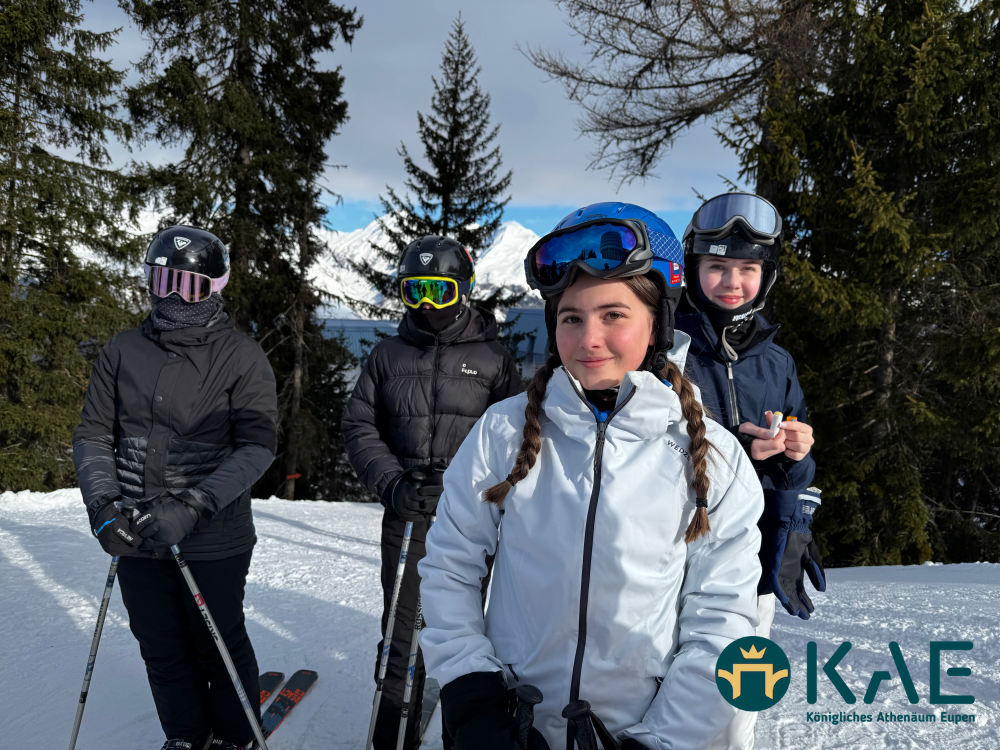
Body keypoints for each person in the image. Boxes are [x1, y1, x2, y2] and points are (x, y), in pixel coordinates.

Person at [417, 203, 766, 750]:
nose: (588, 339)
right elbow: (449, 566)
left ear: (657, 325)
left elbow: (722, 622)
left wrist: (660, 740)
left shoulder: (713, 457)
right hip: (511, 726)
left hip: (639, 731)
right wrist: (474, 694)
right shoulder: (503, 432)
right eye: (571, 318)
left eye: (614, 315)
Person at [73, 226, 277, 750]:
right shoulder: (123, 350)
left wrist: (193, 505)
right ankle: (185, 735)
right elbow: (93, 434)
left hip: (212, 534)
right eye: (161, 281)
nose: (171, 297)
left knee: (217, 643)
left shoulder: (241, 356)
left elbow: (256, 447)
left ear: (214, 287)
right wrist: (103, 506)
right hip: (137, 529)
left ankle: (234, 737)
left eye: (187, 286)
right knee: (160, 645)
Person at [341, 235, 523, 750]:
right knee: (401, 633)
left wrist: (469, 484)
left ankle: (461, 734)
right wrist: (392, 482)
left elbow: (517, 437)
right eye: (414, 290)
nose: (425, 304)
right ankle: (390, 736)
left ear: (463, 291)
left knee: (462, 632)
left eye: (439, 291)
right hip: (406, 513)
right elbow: (359, 425)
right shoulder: (388, 355)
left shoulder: (492, 359)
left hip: (470, 522)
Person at [674, 192, 826, 750]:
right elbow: (642, 448)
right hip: (678, 553)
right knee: (672, 694)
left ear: (768, 276)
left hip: (753, 559)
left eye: (747, 269)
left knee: (738, 702)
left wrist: (796, 456)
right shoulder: (668, 348)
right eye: (717, 266)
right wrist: (734, 449)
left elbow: (796, 472)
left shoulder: (776, 361)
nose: (732, 282)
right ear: (693, 268)